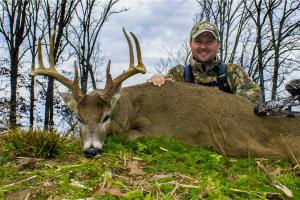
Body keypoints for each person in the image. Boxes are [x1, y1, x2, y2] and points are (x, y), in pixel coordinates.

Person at [148, 21, 261, 103]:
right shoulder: (178, 74)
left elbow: (253, 98)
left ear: (218, 44)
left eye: (209, 42)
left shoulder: (232, 72)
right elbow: (160, 99)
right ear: (190, 44)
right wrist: (157, 80)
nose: (203, 46)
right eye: (198, 41)